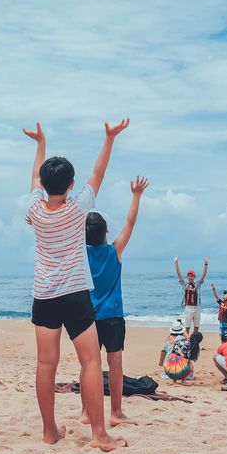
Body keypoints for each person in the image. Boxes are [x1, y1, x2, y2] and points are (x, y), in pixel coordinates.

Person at [23, 119, 129, 452]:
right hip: (75, 295)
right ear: (71, 185)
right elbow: (99, 172)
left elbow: (33, 181)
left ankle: (49, 431)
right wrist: (109, 139)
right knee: (90, 363)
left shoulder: (34, 210)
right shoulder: (78, 208)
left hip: (44, 295)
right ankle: (99, 433)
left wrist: (40, 144)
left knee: (45, 364)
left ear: (44, 183)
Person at [81, 175, 149, 428]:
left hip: (87, 317)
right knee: (115, 363)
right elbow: (131, 222)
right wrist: (136, 195)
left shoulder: (79, 254)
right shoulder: (114, 250)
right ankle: (116, 412)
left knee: (88, 364)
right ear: (106, 232)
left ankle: (86, 411)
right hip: (112, 315)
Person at [174, 255, 209, 335]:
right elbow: (179, 275)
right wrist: (176, 263)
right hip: (188, 307)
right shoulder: (184, 284)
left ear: (194, 277)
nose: (190, 277)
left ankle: (195, 343)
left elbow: (204, 275)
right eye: (189, 276)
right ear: (187, 277)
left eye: (192, 276)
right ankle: (187, 342)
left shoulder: (198, 284)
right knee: (187, 327)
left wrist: (206, 263)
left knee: (196, 327)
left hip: (197, 307)